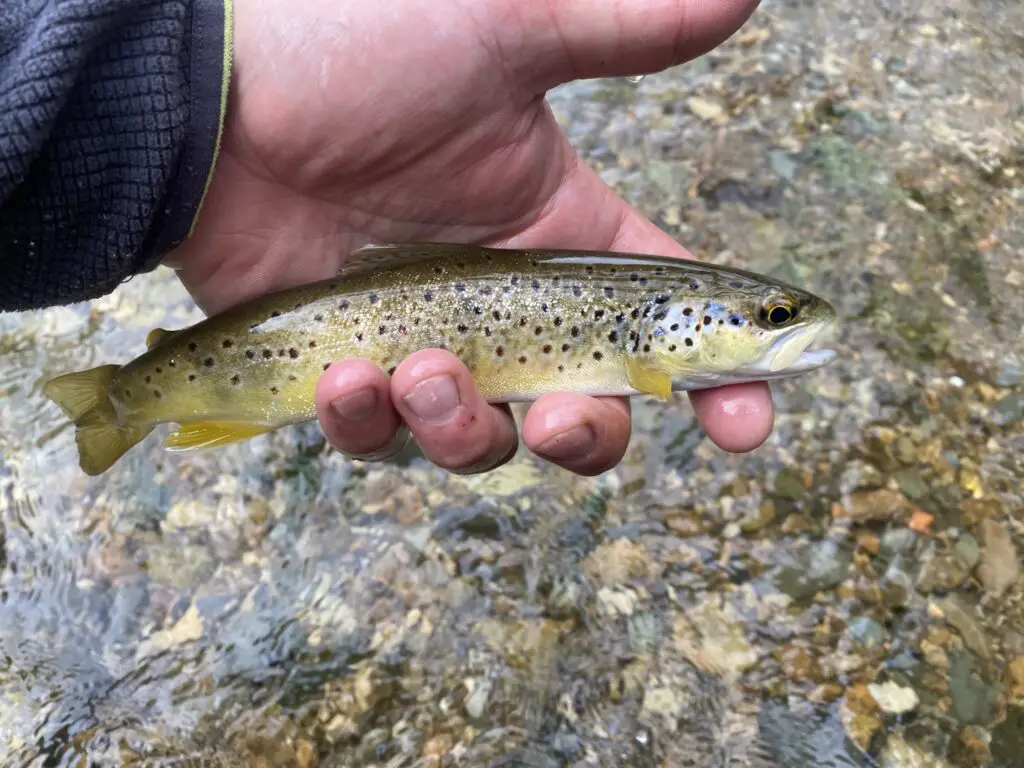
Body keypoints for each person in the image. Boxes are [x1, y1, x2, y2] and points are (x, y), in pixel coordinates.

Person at [0, 0, 773, 477]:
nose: (779, 326)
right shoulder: (646, 336)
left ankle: (124, 398)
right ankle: (122, 400)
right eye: (770, 317)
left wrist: (199, 92)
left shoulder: (651, 343)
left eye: (772, 316)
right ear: (674, 323)